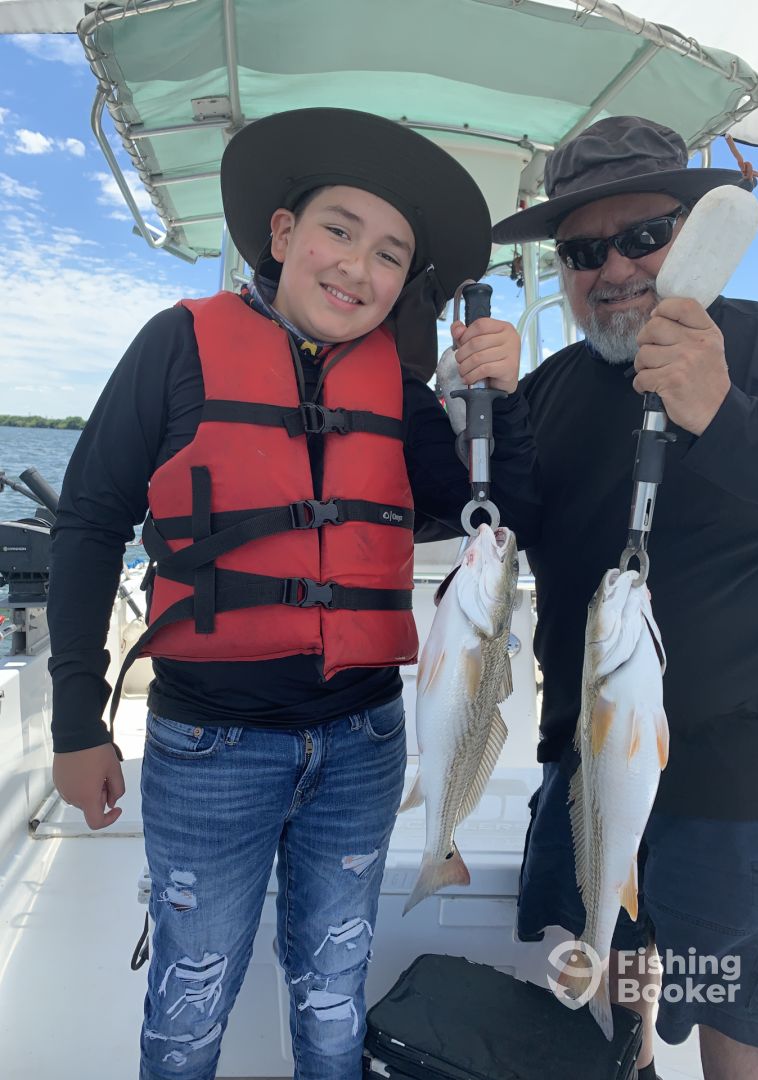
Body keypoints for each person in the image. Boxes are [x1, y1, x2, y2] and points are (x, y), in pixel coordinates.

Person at [47, 107, 538, 1080]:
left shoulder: (401, 393)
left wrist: (505, 401)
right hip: (208, 747)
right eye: (338, 230)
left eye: (390, 254)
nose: (358, 267)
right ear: (281, 234)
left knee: (332, 997)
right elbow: (90, 523)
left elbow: (494, 509)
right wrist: (74, 721)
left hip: (362, 746)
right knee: (188, 1005)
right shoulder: (176, 346)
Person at [493, 116, 758, 1080]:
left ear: (690, 230)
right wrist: (483, 413)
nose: (615, 269)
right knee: (620, 971)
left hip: (741, 787)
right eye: (583, 251)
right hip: (590, 761)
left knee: (734, 1009)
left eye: (643, 236)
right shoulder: (548, 389)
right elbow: (500, 521)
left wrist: (724, 416)